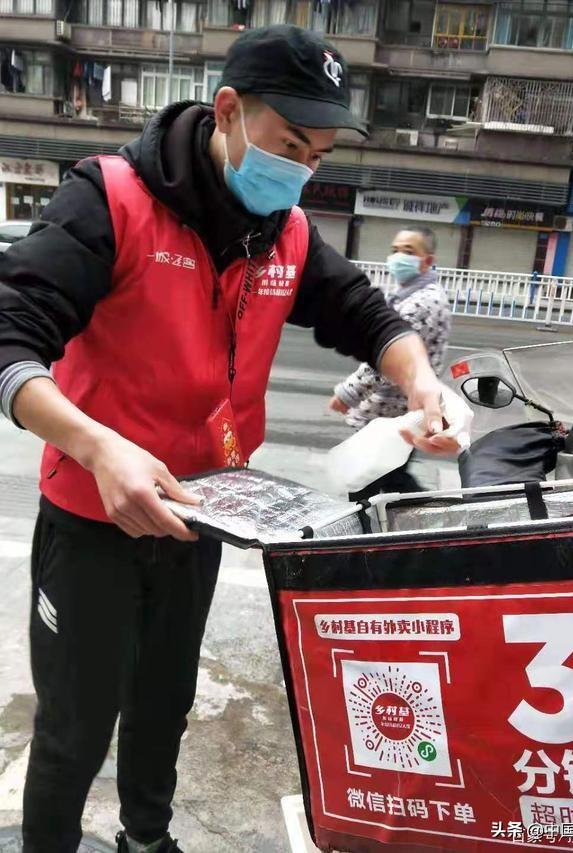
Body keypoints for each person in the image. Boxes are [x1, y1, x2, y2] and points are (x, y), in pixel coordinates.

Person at [0, 26, 459, 853]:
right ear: (228, 113)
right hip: (92, 518)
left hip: (201, 517)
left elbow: (366, 313)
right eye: (290, 145)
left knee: (164, 701)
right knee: (74, 724)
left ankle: (146, 838)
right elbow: (10, 333)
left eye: (318, 155)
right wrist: (99, 446)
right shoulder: (110, 199)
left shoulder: (283, 230)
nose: (303, 171)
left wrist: (423, 383)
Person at [330, 227, 451, 499]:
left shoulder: (422, 303)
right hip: (395, 410)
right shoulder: (409, 294)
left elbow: (388, 358)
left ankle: (373, 532)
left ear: (427, 260)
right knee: (386, 478)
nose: (398, 257)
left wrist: (348, 392)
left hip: (395, 411)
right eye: (395, 250)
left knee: (367, 480)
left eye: (408, 252)